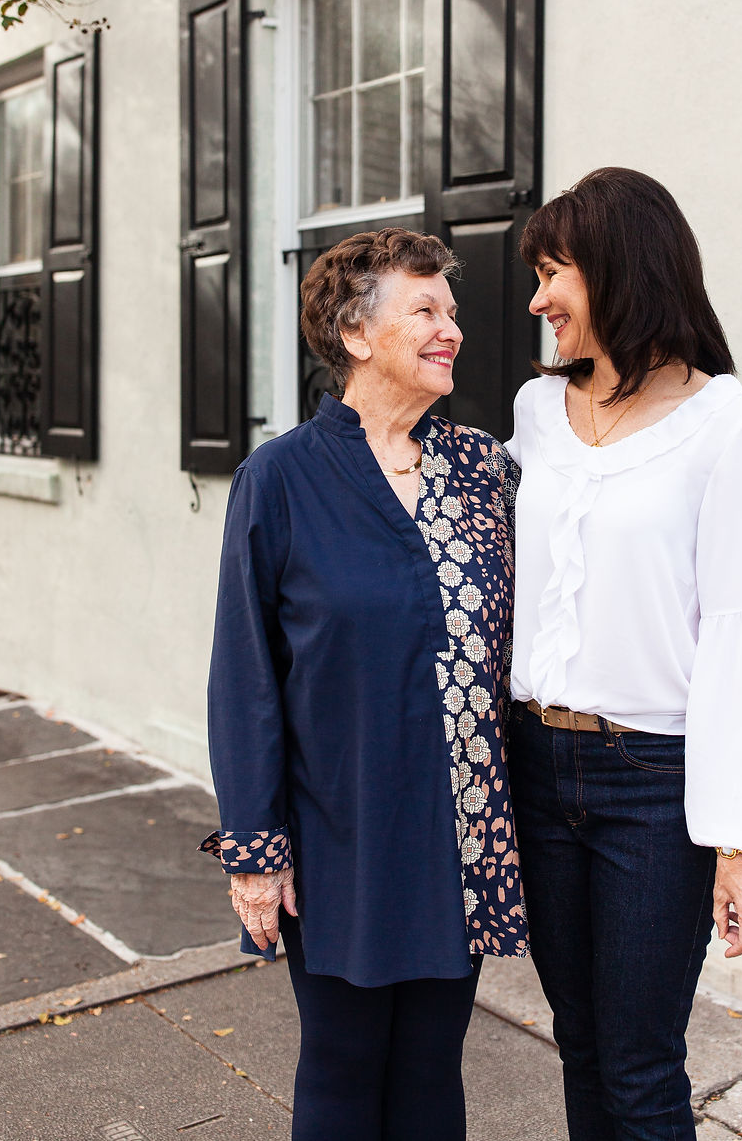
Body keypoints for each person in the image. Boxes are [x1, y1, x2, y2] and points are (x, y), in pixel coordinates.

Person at [199, 227, 527, 1141]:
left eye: (452, 311)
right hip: (340, 828)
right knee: (344, 1069)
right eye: (423, 309)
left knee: (432, 1070)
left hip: (461, 830)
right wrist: (254, 852)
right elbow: (245, 679)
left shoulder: (484, 471)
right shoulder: (281, 478)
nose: (449, 329)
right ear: (354, 332)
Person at [504, 167, 742, 1141]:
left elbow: (738, 641)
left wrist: (737, 845)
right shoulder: (535, 415)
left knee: (637, 1069)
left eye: (552, 271)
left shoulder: (724, 430)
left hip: (648, 787)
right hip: (533, 765)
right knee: (576, 1043)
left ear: (620, 270)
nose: (536, 298)